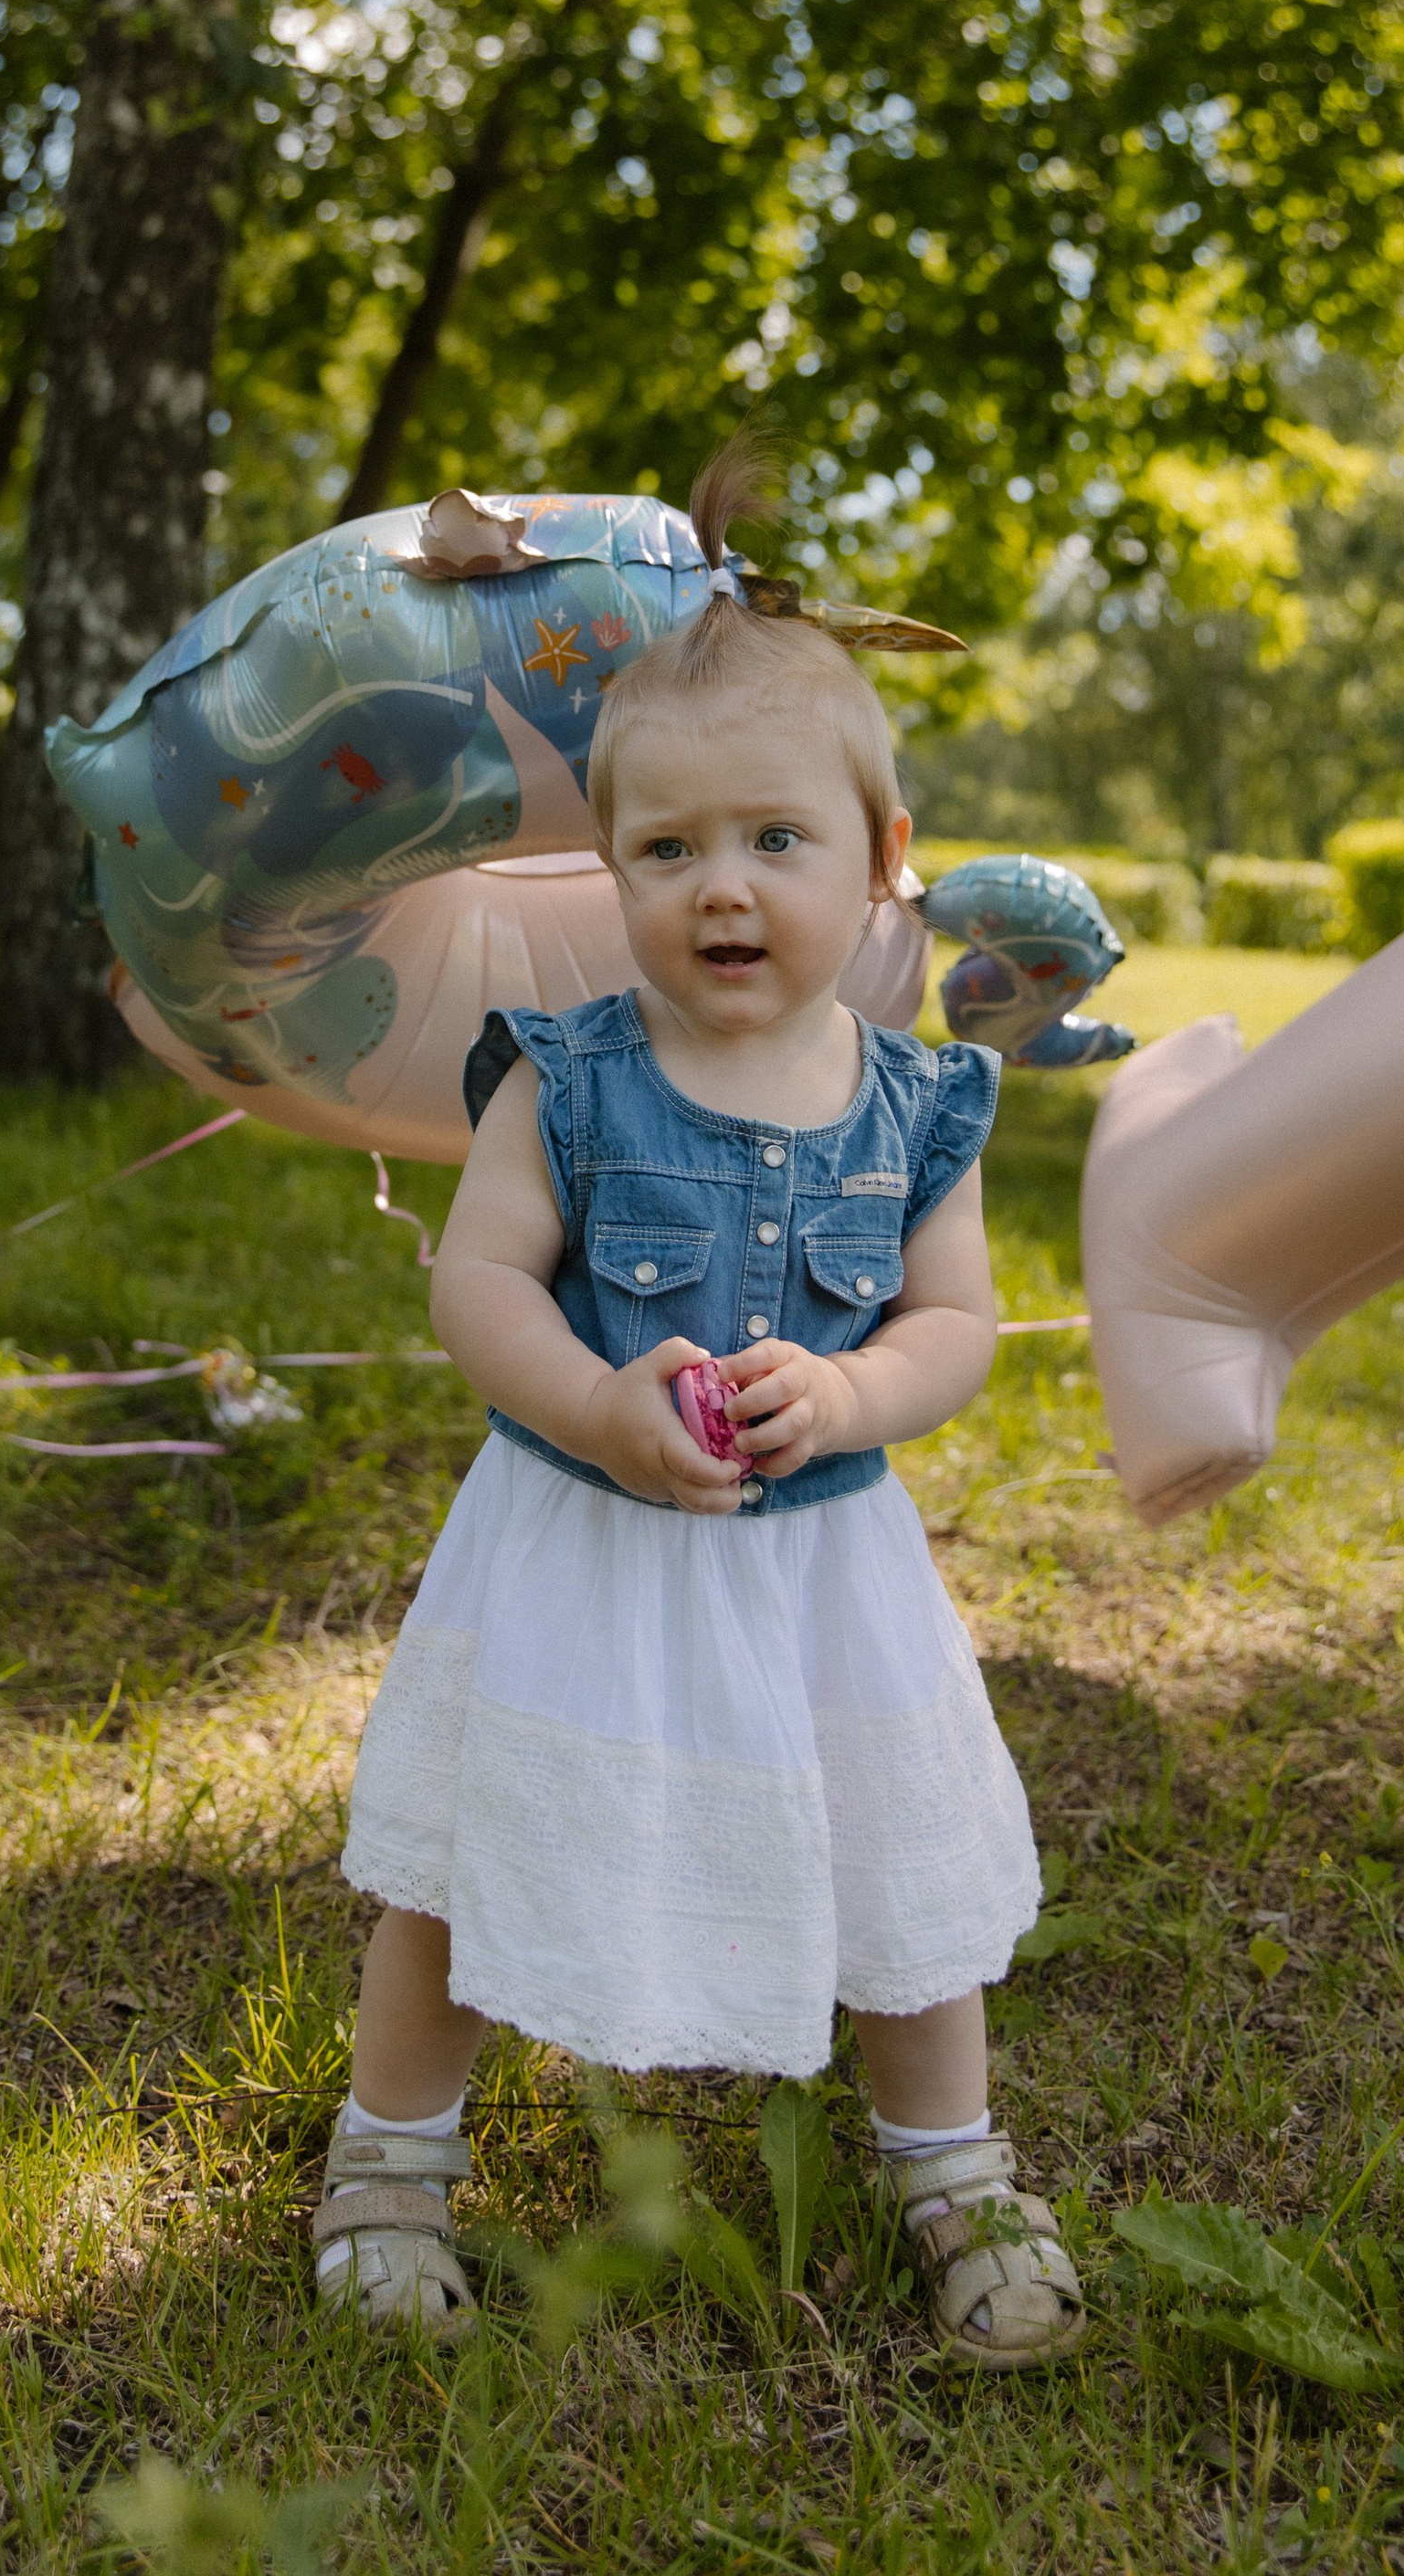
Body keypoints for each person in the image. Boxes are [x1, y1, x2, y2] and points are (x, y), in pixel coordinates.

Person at [315, 436, 1081, 2369]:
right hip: (580, 1540)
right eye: (664, 850)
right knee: (470, 1867)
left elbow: (960, 1325)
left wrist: (849, 1384)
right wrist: (584, 1398)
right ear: (608, 871)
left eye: (771, 840)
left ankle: (952, 2166)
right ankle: (390, 2161)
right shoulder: (560, 1079)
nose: (716, 887)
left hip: (823, 1573)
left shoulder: (919, 1105)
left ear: (882, 858)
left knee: (895, 1871)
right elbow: (477, 1276)